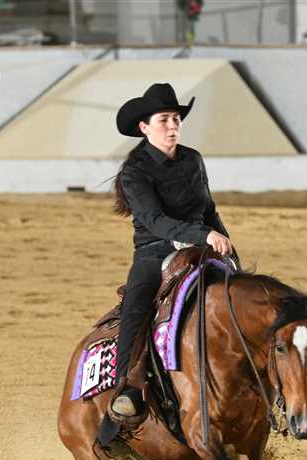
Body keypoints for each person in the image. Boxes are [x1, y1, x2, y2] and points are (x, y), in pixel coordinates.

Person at [107, 82, 234, 425]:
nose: (172, 126)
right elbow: (155, 221)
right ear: (144, 127)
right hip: (154, 252)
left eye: (176, 119)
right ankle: (127, 387)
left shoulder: (193, 159)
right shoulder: (135, 171)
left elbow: (209, 210)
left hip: (201, 248)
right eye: (163, 120)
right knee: (136, 306)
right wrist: (203, 235)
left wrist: (227, 245)